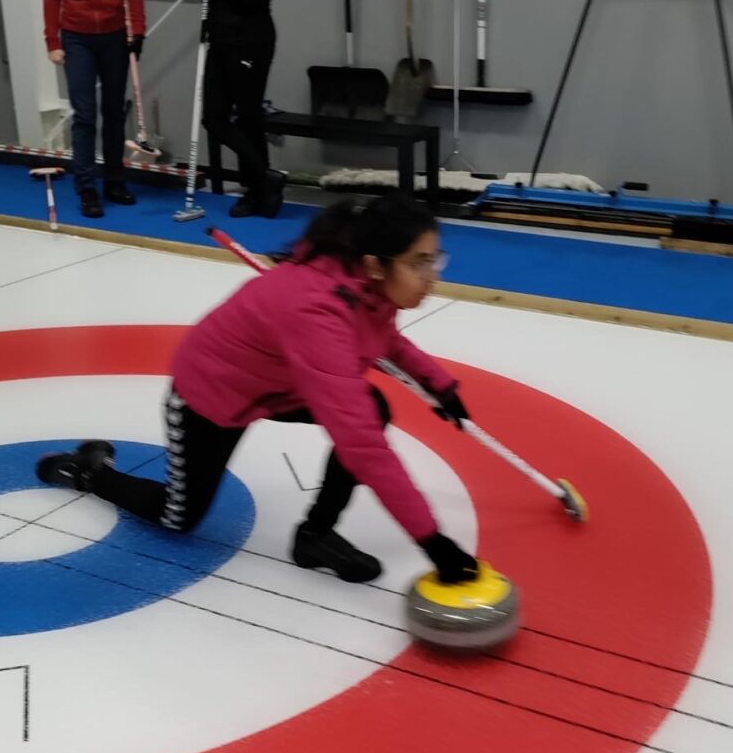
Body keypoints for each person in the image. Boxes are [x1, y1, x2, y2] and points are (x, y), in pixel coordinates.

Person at [36, 193, 480, 586]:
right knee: (178, 518)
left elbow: (384, 338)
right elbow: (360, 443)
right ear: (376, 264)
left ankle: (315, 537)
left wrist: (438, 385)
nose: (432, 275)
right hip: (212, 394)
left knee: (371, 404)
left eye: (434, 258)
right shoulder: (316, 311)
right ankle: (90, 471)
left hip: (277, 385)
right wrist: (433, 541)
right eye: (420, 263)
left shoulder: (366, 287)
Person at [42, 0, 144, 219]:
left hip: (114, 36)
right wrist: (52, 40)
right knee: (85, 115)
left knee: (114, 112)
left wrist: (138, 32)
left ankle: (115, 180)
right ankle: (86, 186)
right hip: (76, 37)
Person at [199, 0, 285, 219]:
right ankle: (266, 179)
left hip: (252, 41)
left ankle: (255, 190)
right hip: (220, 42)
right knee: (213, 118)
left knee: (249, 117)